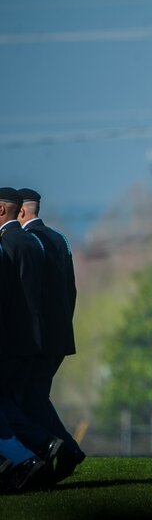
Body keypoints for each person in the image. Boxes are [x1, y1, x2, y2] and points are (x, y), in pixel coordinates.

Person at [16, 188, 86, 482]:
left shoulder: (26, 242)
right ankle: (56, 452)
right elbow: (70, 289)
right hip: (58, 335)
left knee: (25, 397)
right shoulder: (61, 240)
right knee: (35, 396)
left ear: (19, 212)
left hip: (35, 337)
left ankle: (57, 450)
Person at [0, 187, 62, 479]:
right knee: (24, 399)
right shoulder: (40, 242)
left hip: (13, 339)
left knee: (11, 401)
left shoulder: (8, 243)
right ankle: (43, 448)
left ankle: (30, 451)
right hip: (38, 336)